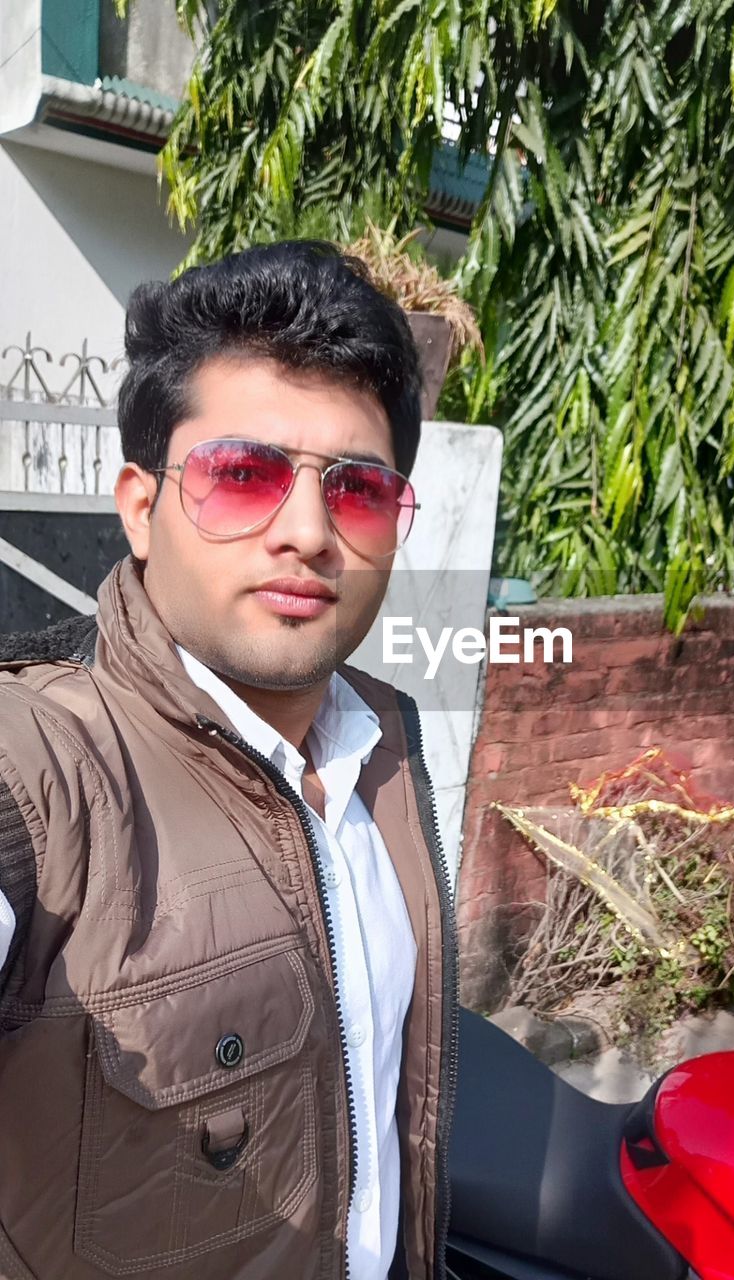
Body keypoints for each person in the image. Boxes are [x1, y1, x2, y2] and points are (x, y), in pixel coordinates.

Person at [0, 242, 458, 1280]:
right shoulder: (50, 772)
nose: (306, 532)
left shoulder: (380, 747)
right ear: (139, 507)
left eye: (359, 491)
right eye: (242, 475)